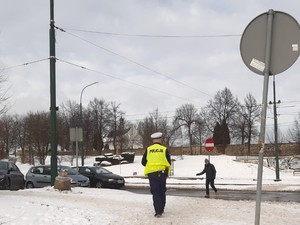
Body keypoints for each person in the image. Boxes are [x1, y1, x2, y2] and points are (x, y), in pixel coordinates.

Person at [141, 132, 171, 218]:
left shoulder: (149, 149)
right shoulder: (164, 149)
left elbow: (143, 162)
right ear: (160, 139)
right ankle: (161, 208)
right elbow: (168, 162)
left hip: (152, 175)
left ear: (153, 140)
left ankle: (158, 211)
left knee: (155, 192)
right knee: (162, 191)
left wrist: (151, 164)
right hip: (162, 174)